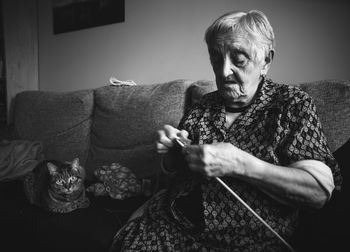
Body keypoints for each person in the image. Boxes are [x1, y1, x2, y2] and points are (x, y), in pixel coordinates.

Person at [110, 10, 342, 251]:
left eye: (238, 59)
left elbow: (318, 192)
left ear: (266, 60)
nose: (223, 72)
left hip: (249, 242)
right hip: (170, 226)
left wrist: (239, 163)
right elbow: (172, 177)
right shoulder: (202, 107)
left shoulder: (291, 104)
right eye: (216, 59)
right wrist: (170, 153)